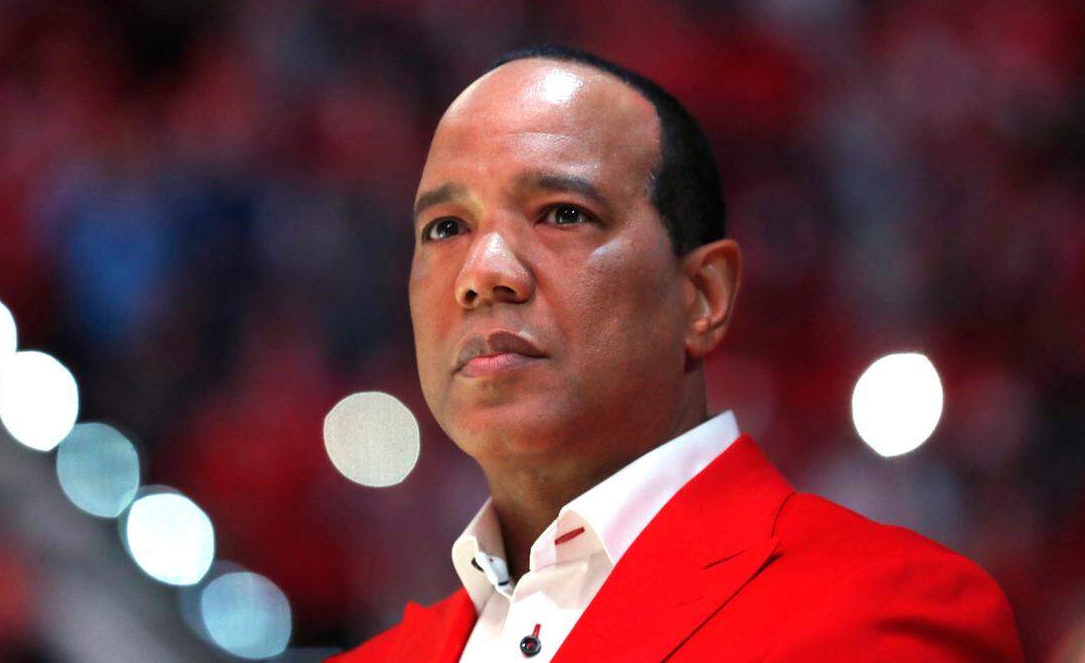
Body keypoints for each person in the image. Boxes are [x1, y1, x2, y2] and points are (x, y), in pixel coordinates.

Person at [330, 45, 1023, 662]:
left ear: (702, 296)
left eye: (563, 213)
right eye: (445, 227)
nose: (483, 272)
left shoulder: (884, 614)